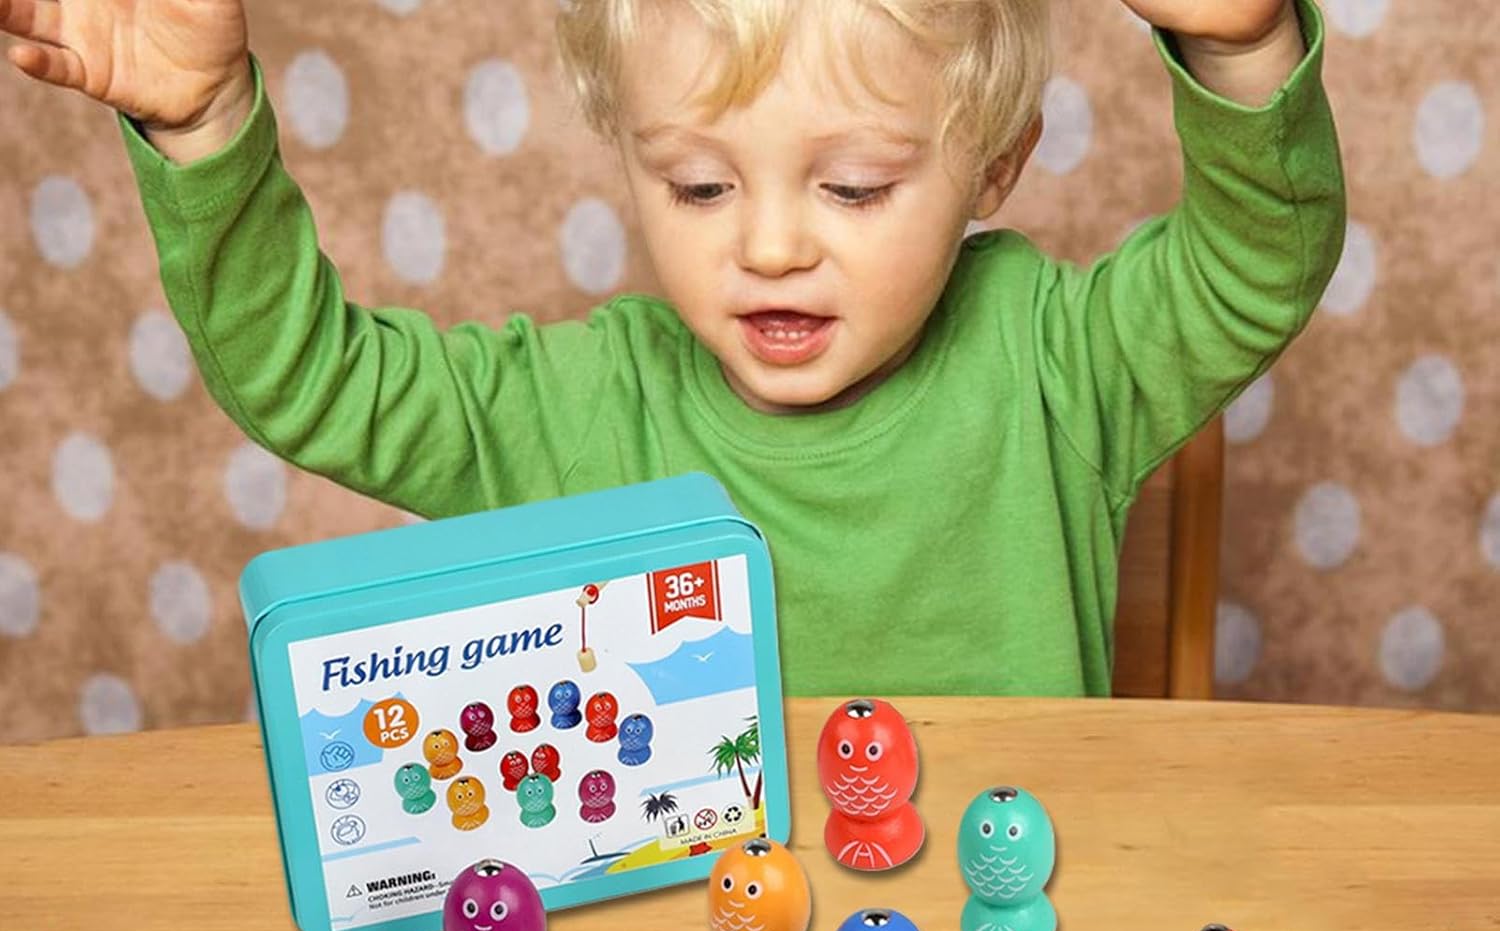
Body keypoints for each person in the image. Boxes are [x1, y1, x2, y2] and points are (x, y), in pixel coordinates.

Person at [1, 0, 1345, 695]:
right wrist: (206, 129)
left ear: (996, 166)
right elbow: (312, 378)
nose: (769, 246)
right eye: (699, 186)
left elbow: (1258, 263)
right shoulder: (587, 404)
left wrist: (1243, 48)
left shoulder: (1055, 364)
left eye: (855, 188)